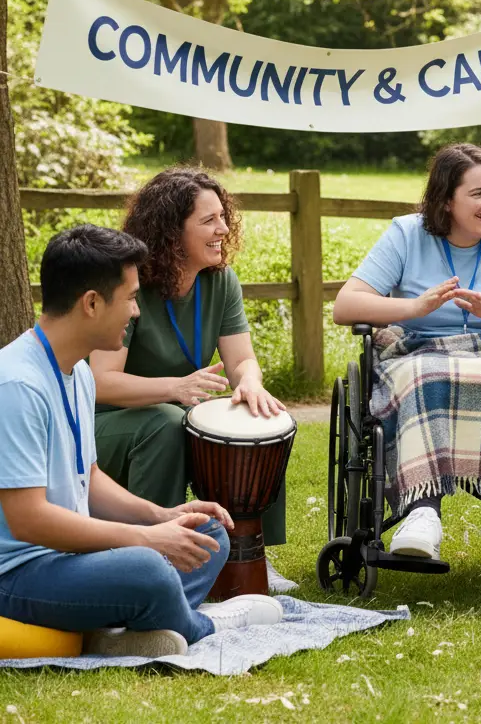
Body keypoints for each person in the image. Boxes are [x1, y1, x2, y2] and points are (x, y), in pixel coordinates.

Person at [0, 225, 282, 657]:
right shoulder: (18, 383)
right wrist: (145, 540)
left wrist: (161, 516)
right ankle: (204, 624)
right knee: (147, 567)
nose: (135, 312)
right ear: (91, 303)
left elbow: (88, 478)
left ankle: (117, 630)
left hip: (66, 560)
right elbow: (28, 520)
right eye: (130, 298)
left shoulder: (75, 372)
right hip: (18, 574)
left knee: (208, 533)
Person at [333, 143, 481, 564]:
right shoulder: (407, 234)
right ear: (446, 199)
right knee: (422, 375)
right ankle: (420, 512)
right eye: (478, 194)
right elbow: (345, 305)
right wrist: (414, 308)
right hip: (420, 348)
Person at [89, 168, 294, 592]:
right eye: (208, 221)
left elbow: (243, 361)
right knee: (166, 421)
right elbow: (100, 381)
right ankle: (155, 555)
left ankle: (252, 554)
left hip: (170, 409)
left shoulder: (221, 282)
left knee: (261, 418)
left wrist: (251, 383)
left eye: (223, 217)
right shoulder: (130, 284)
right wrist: (175, 389)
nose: (223, 229)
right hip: (104, 426)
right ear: (170, 231)